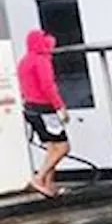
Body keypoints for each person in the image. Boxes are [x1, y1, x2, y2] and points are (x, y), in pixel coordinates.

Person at [18, 29, 70, 198]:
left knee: (52, 149)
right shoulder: (41, 60)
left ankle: (49, 186)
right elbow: (48, 86)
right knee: (63, 147)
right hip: (45, 109)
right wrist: (60, 107)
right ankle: (39, 178)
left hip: (30, 108)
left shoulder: (24, 61)